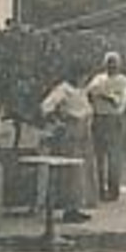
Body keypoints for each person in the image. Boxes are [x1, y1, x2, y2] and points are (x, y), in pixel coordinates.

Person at [39, 68, 94, 223]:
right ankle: (68, 209)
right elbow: (46, 107)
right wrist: (59, 122)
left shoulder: (81, 91)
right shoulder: (63, 89)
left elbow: (87, 111)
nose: (84, 79)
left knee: (81, 172)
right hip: (71, 134)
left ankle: (76, 207)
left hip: (83, 134)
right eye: (82, 75)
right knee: (71, 173)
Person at [85, 51, 126, 202]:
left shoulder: (123, 81)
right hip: (98, 118)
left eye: (114, 62)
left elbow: (118, 101)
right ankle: (99, 189)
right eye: (109, 62)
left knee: (113, 157)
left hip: (113, 119)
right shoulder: (98, 78)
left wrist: (104, 94)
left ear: (119, 65)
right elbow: (89, 92)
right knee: (98, 156)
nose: (111, 65)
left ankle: (113, 190)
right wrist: (102, 95)